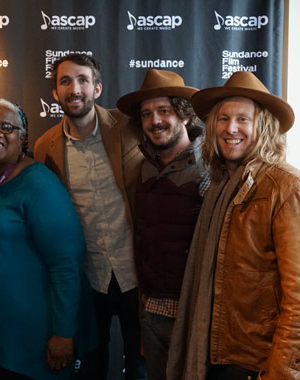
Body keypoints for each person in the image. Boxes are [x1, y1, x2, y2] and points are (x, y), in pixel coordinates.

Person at [0, 99, 93, 379]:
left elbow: (66, 264)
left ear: (23, 138)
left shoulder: (40, 185)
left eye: (6, 127)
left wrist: (63, 333)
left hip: (30, 339)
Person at [167, 71, 300, 380]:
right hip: (218, 355)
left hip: (255, 363)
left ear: (263, 127)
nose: (231, 128)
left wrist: (281, 371)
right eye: (223, 119)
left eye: (243, 119)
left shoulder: (284, 187)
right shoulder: (220, 183)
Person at [34, 53, 147, 380]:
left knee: (140, 369)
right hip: (88, 278)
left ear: (97, 88)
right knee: (93, 367)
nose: (75, 88)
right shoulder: (45, 147)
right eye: (65, 81)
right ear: (55, 93)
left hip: (136, 272)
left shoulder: (129, 127)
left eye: (83, 80)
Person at [116, 69, 208, 380]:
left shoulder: (211, 166)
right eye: (147, 114)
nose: (155, 120)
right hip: (151, 309)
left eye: (164, 111)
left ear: (184, 115)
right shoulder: (143, 168)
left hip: (194, 314)